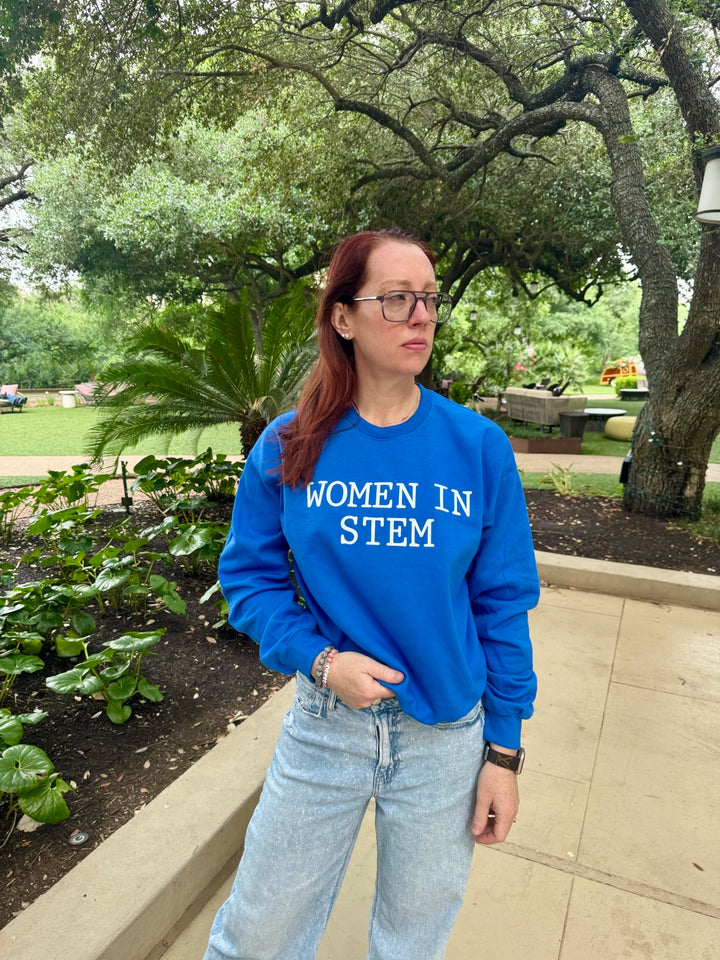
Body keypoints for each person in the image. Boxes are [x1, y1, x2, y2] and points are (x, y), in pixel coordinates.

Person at [203, 228, 539, 960]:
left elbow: (502, 608)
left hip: (446, 739)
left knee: (410, 946)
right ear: (343, 318)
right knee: (253, 940)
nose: (421, 316)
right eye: (396, 300)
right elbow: (249, 582)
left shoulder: (477, 448)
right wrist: (322, 660)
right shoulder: (291, 445)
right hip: (327, 728)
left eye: (428, 299)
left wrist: (504, 756)